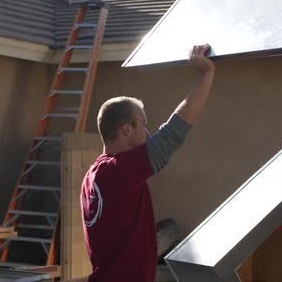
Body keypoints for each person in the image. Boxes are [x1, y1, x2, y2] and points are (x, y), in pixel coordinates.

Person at [80, 44, 215, 281]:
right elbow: (173, 133)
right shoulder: (117, 172)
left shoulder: (93, 176)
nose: (147, 132)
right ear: (126, 130)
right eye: (142, 125)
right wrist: (207, 74)